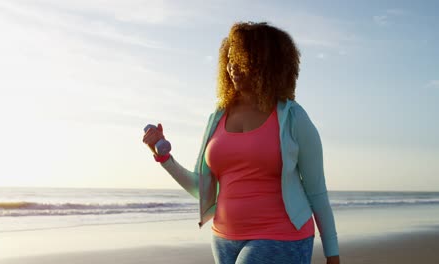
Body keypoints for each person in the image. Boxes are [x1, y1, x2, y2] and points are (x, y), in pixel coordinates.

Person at [142, 21, 340, 264]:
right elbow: (200, 186)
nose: (232, 66)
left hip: (282, 236)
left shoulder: (293, 118)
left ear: (267, 64)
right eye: (230, 58)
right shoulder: (217, 117)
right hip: (224, 239)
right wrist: (163, 157)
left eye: (242, 58)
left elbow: (316, 191)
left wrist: (332, 253)